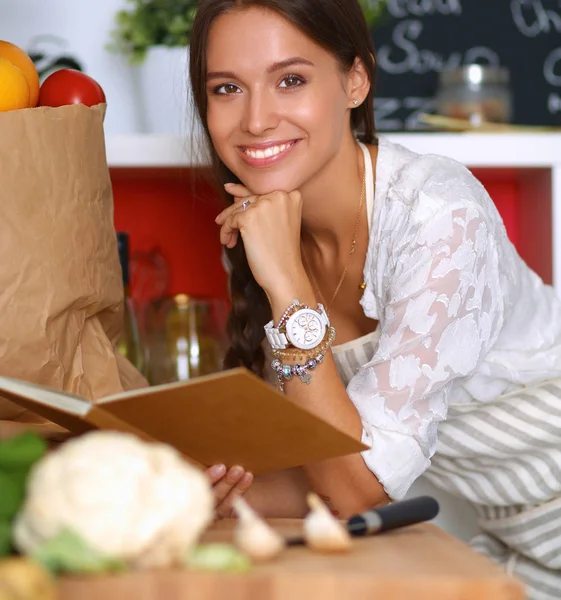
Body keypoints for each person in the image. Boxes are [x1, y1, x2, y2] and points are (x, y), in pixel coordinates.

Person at [189, 1, 561, 597]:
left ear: (355, 81)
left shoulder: (440, 216)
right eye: (227, 88)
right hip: (480, 537)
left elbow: (357, 488)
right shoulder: (267, 229)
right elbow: (330, 470)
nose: (256, 119)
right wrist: (200, 493)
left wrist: (286, 281)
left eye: (290, 80)